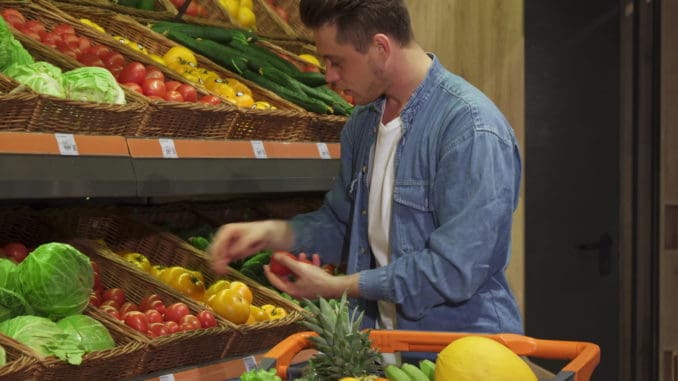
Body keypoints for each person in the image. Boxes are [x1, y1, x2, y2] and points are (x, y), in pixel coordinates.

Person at [209, 0, 523, 352]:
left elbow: (453, 271)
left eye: (336, 61)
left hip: (466, 357)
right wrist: (270, 234)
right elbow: (342, 225)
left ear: (380, 48)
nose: (328, 75)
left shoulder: (470, 128)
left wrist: (340, 286)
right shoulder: (363, 124)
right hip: (385, 353)